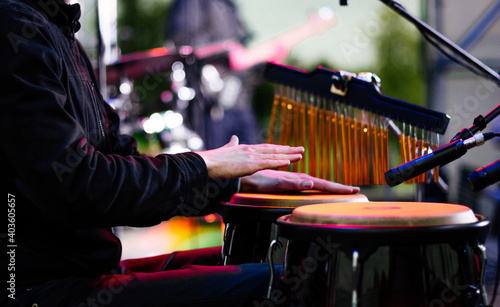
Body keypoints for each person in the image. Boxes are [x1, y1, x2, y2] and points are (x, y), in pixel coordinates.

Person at [0, 0, 357, 306]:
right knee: (287, 280)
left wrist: (234, 180)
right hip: (37, 289)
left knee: (291, 262)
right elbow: (79, 183)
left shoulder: (58, 32)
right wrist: (205, 165)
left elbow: (119, 157)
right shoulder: (15, 26)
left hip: (89, 272)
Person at [165, 0, 337, 149]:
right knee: (220, 176)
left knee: (255, 170)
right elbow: (186, 47)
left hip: (241, 102)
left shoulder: (228, 5)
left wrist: (263, 58)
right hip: (211, 107)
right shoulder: (192, 2)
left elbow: (242, 56)